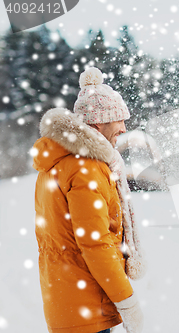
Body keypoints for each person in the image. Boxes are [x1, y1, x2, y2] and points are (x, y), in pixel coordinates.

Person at [33, 67, 146, 333]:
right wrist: (127, 302)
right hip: (87, 308)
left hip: (68, 301)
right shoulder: (86, 169)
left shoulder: (57, 163)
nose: (124, 128)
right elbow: (96, 243)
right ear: (98, 123)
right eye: (118, 120)